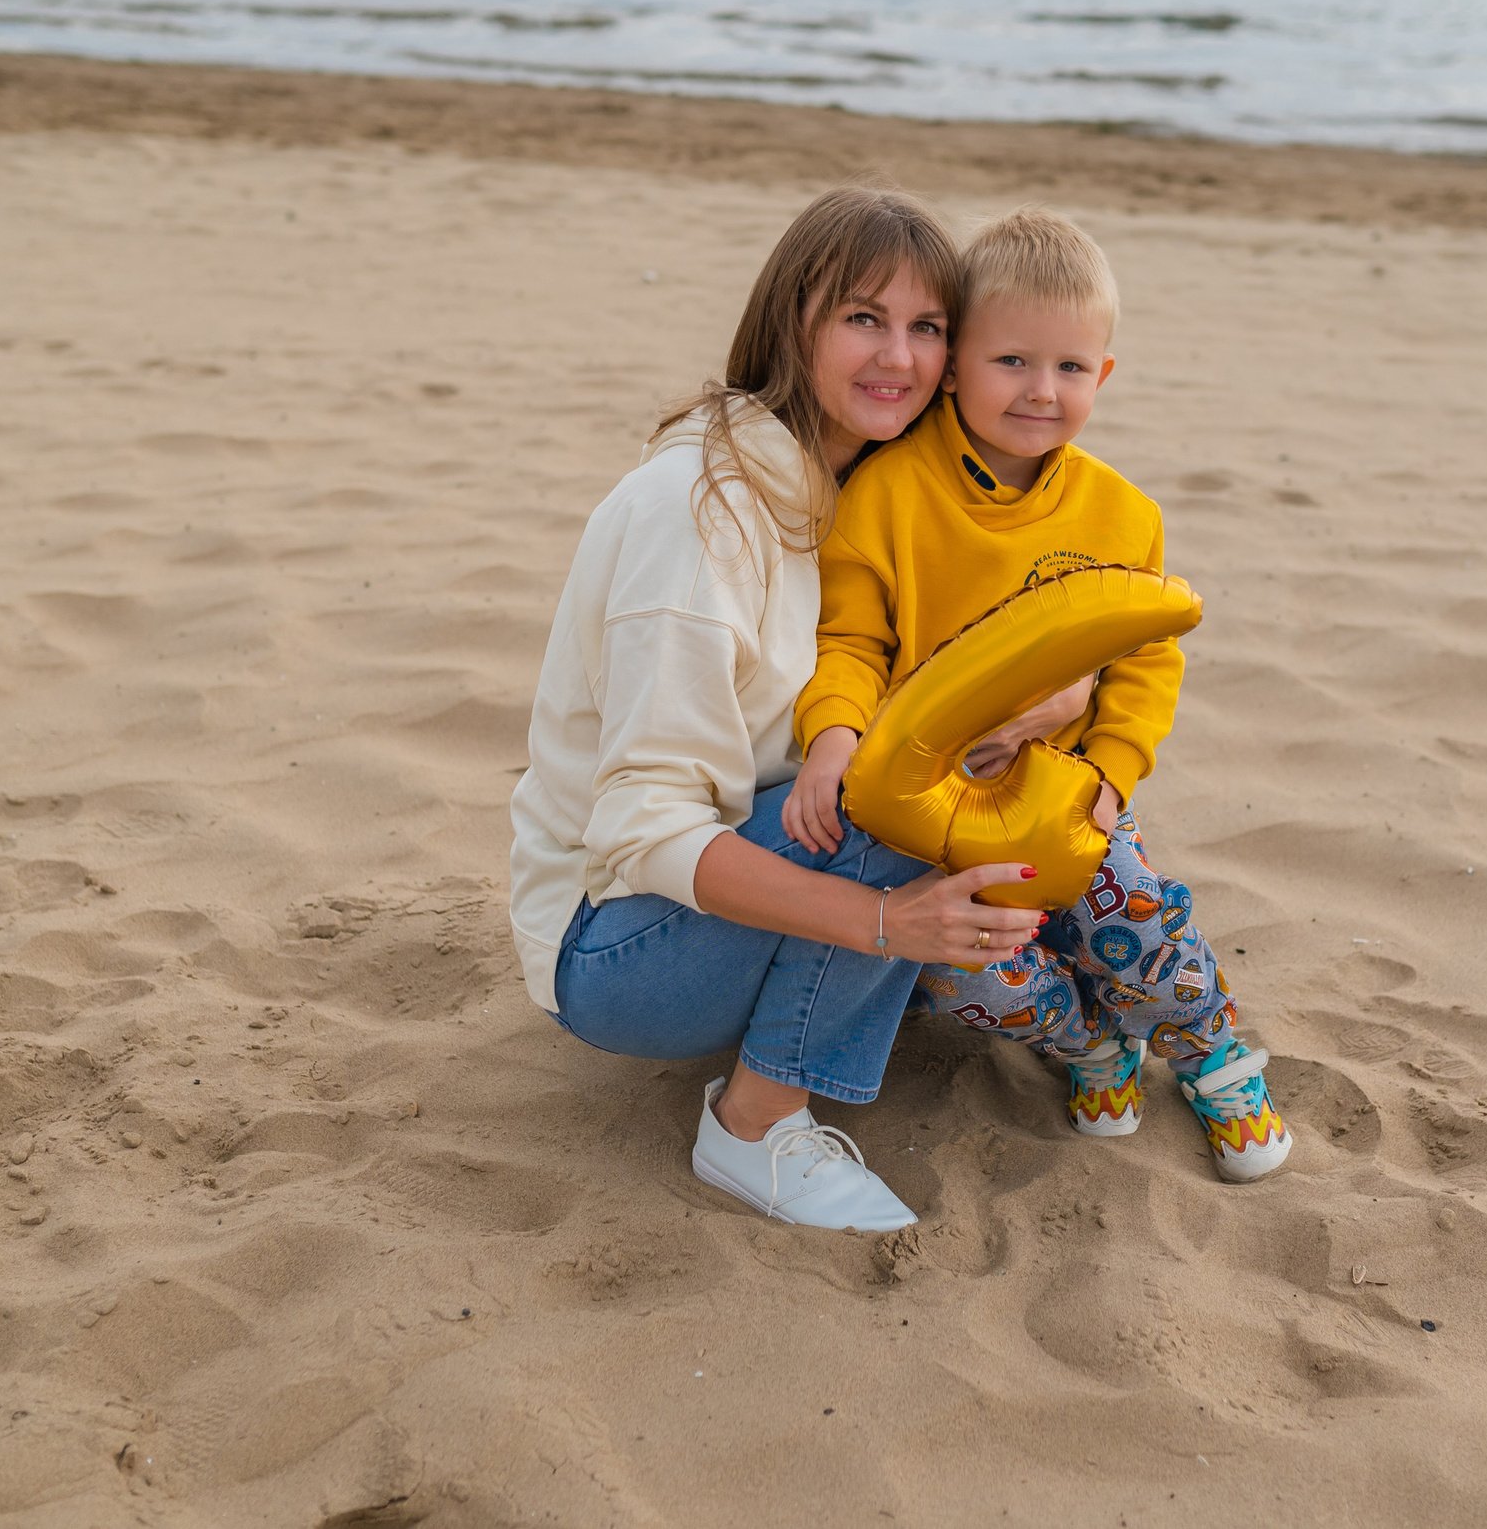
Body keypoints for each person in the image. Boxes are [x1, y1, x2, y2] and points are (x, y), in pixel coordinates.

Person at [509, 186, 1049, 1235]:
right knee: (896, 793)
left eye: (927, 327)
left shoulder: (865, 495)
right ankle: (753, 1126)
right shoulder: (697, 515)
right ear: (790, 321)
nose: (897, 356)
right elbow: (644, 830)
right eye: (862, 317)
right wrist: (885, 923)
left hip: (738, 874)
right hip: (613, 949)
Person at [782, 206, 1293, 1183]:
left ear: (1104, 374)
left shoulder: (1121, 512)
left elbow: (1146, 659)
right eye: (1010, 360)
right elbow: (848, 640)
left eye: (1069, 367)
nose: (1040, 390)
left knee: (1138, 924)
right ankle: (1088, 1048)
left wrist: (1112, 770)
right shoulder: (885, 494)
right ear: (954, 364)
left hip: (1066, 790)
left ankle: (1214, 1057)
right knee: (963, 970)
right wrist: (832, 736)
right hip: (933, 812)